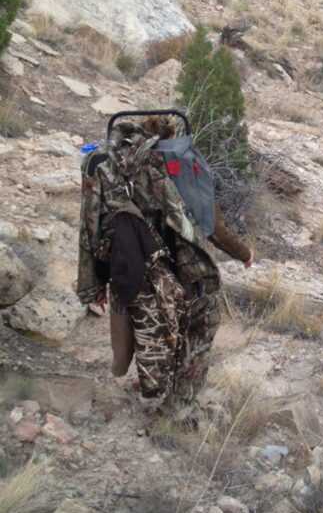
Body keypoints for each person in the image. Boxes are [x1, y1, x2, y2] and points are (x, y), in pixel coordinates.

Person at [77, 115, 252, 423]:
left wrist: (94, 285)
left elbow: (90, 228)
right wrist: (244, 254)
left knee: (150, 330)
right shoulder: (181, 162)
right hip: (184, 266)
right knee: (198, 327)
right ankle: (178, 405)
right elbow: (214, 228)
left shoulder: (104, 164)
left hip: (133, 266)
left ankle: (154, 390)